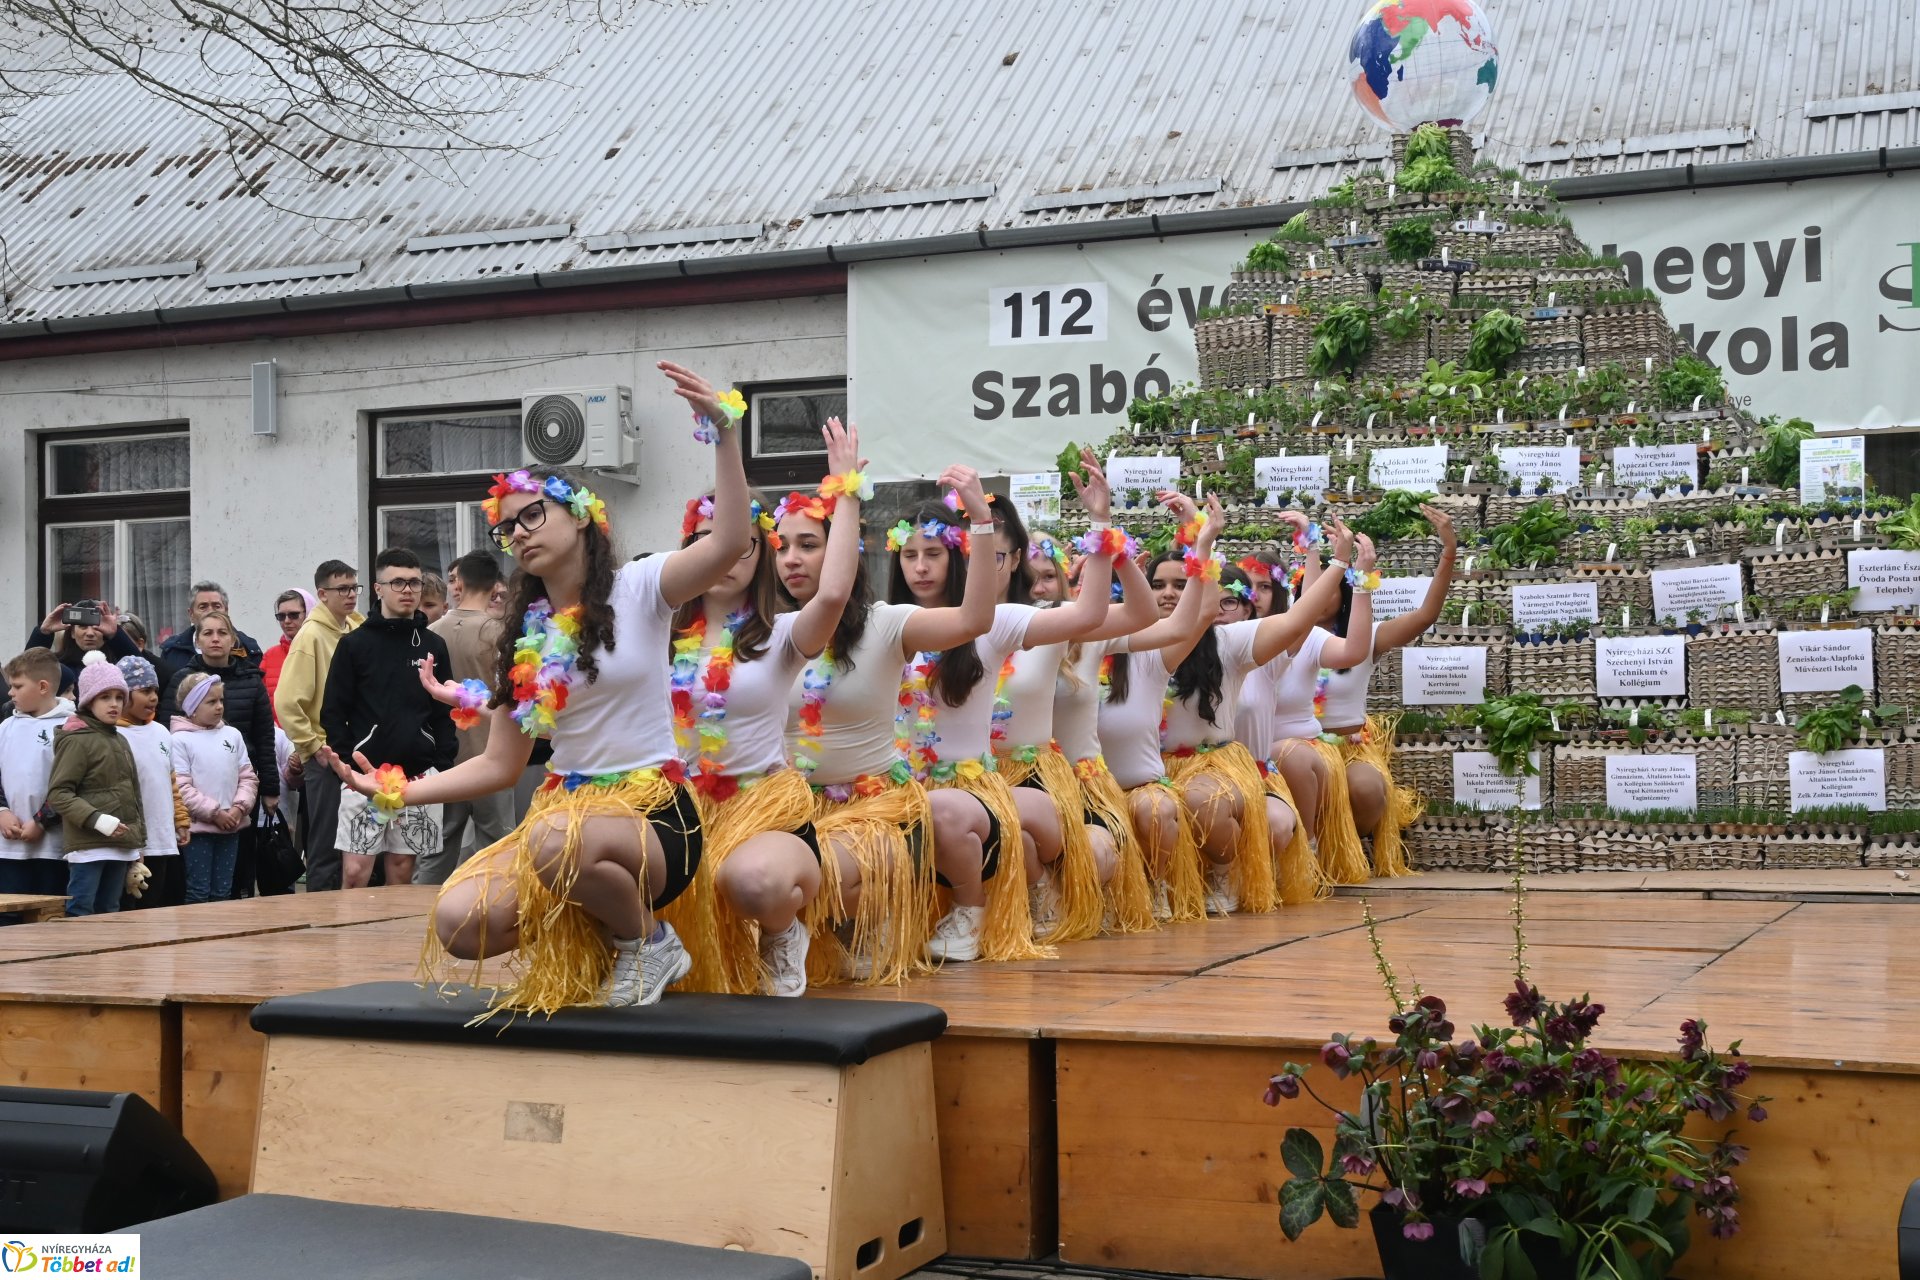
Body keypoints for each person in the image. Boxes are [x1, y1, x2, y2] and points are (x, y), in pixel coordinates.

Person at [328, 361, 751, 1011]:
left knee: (558, 842)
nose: (518, 533)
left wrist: (723, 431)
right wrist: (394, 791)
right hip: (566, 818)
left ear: (581, 515)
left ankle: (652, 941)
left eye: (532, 516)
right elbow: (500, 765)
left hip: (653, 818)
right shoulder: (523, 641)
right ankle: (599, 929)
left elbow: (727, 544)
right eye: (508, 528)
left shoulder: (641, 588)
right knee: (461, 924)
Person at [652, 421, 862, 997]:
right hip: (676, 803)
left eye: (743, 539)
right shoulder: (656, 636)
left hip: (760, 805)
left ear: (758, 550)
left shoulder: (784, 635)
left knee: (754, 880)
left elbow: (835, 592)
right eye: (708, 537)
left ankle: (782, 930)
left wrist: (843, 491)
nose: (725, 551)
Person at [887, 476, 1120, 963]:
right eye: (909, 555)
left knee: (955, 812)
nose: (921, 567)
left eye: (933, 552)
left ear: (960, 556)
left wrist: (1100, 523)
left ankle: (973, 909)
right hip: (900, 788)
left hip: (971, 793)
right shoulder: (885, 622)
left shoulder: (994, 622)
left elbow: (1091, 612)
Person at [987, 458, 1156, 942]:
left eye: (995, 555)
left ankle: (1059, 894)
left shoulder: (1050, 619)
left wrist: (1103, 528)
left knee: (1093, 850)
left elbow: (1143, 614)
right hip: (966, 777)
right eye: (971, 555)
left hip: (1040, 778)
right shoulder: (940, 624)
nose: (981, 565)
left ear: (1014, 559)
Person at [1314, 504, 1458, 877]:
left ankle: (1338, 848)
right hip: (1294, 747)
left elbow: (1425, 616)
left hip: (1348, 747)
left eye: (1332, 583)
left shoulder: (1366, 637)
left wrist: (1449, 552)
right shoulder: (1280, 637)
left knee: (1365, 788)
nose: (1320, 590)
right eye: (1313, 583)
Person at [323, 549, 457, 891]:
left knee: (401, 873)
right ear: (378, 588)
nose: (408, 590)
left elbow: (444, 711)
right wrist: (348, 768)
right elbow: (333, 711)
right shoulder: (354, 645)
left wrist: (440, 763)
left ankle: (396, 945)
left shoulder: (433, 645)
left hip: (418, 777)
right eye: (398, 582)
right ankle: (352, 943)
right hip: (366, 777)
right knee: (355, 872)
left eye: (414, 582)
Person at [421, 554, 512, 886]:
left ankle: (417, 915)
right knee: (497, 845)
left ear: (458, 584)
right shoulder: (500, 634)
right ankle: (488, 912)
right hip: (492, 755)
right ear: (493, 586)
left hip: (446, 757)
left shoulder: (431, 632)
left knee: (438, 848)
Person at [276, 559, 364, 890]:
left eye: (354, 587)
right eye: (342, 589)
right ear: (322, 594)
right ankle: (321, 924)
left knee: (359, 842)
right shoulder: (310, 635)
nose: (351, 595)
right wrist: (312, 747)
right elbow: (287, 701)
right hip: (326, 754)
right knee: (326, 846)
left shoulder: (354, 628)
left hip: (355, 751)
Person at [47, 653, 144, 915]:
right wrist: (97, 820)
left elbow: (132, 794)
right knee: (81, 908)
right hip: (88, 845)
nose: (114, 704)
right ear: (89, 700)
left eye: (119, 697)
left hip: (120, 844)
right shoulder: (77, 739)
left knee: (110, 909)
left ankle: (106, 959)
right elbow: (59, 793)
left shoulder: (119, 739)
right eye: (105, 697)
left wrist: (136, 844)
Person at [171, 672, 258, 903]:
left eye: (221, 700)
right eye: (211, 702)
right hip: (197, 831)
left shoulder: (232, 735)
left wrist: (239, 808)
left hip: (231, 825)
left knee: (223, 891)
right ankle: (197, 936)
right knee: (198, 890)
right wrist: (215, 813)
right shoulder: (179, 741)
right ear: (192, 707)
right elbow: (181, 787)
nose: (219, 706)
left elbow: (248, 777)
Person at [0, 647, 73, 913]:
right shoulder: (5, 728)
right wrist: (2, 811)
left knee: (49, 920)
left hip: (54, 848)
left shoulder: (72, 727)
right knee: (8, 921)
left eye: (17, 686)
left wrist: (43, 820)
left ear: (43, 686)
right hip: (8, 849)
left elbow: (73, 783)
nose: (10, 693)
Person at [114, 656, 190, 909]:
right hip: (132, 843)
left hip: (162, 838)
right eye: (145, 691)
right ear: (123, 694)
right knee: (129, 908)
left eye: (155, 690)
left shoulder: (160, 732)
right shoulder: (114, 735)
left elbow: (171, 781)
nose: (154, 698)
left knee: (157, 906)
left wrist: (180, 819)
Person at [27, 600, 138, 695]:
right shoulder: (57, 668)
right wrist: (43, 632)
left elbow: (139, 670)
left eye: (97, 626)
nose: (90, 633)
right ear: (72, 633)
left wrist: (116, 634)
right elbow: (26, 673)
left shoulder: (119, 665)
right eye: (83, 626)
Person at [159, 582, 263, 680]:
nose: (210, 611)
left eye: (216, 606)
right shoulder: (172, 651)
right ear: (191, 614)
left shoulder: (249, 649)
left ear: (226, 611)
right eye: (203, 607)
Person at [260, 590, 312, 712]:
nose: (287, 621)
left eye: (294, 615)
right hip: (277, 729)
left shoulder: (322, 650)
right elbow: (261, 702)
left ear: (309, 614)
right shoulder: (270, 656)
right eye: (281, 616)